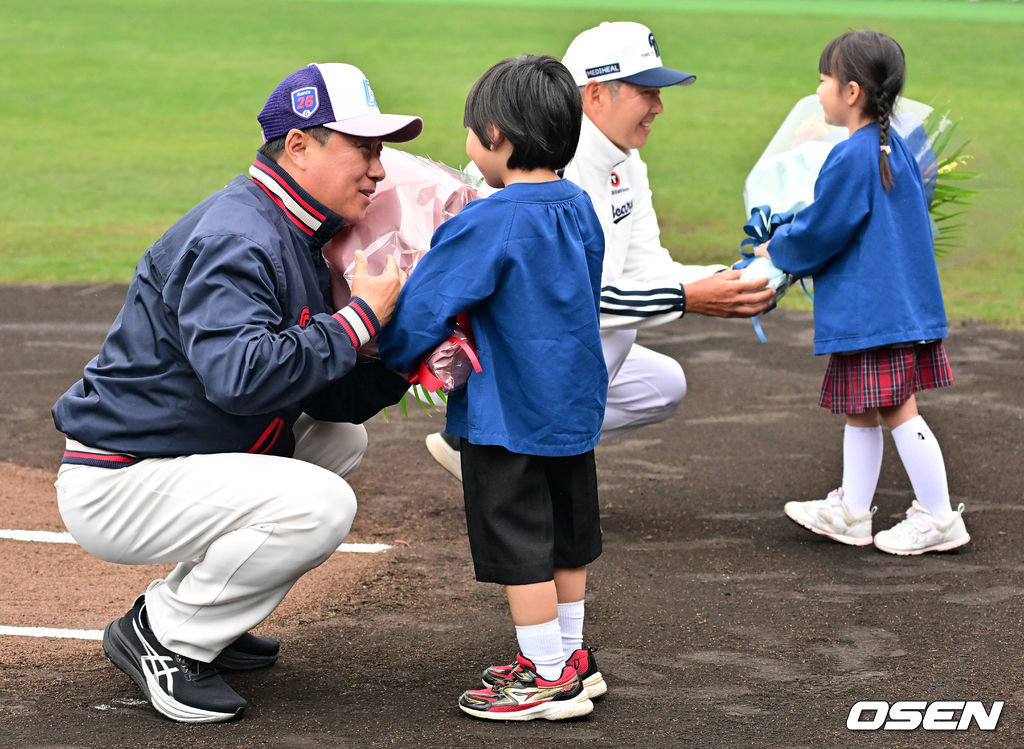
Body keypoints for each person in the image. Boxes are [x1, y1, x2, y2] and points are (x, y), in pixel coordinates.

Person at [50, 62, 423, 723]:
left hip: (179, 452)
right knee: (320, 504)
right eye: (363, 149)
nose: (378, 169)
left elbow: (324, 397)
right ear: (299, 145)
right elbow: (241, 376)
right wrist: (360, 318)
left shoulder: (297, 230)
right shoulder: (239, 235)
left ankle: (205, 611)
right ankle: (166, 634)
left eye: (380, 151)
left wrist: (404, 361)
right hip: (121, 478)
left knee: (339, 439)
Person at [424, 21, 775, 481]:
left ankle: (507, 448)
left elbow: (648, 267)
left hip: (538, 348)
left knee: (662, 385)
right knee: (615, 333)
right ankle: (500, 448)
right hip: (492, 348)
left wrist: (739, 277)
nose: (658, 106)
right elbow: (569, 299)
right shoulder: (551, 165)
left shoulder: (624, 157)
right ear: (594, 95)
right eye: (646, 92)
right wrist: (687, 298)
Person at [378, 55, 606, 721]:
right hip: (571, 405)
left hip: (508, 411)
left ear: (497, 135)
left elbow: (428, 302)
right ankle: (570, 656)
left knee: (520, 542)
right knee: (565, 533)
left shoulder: (489, 220)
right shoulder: (579, 205)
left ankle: (544, 677)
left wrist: (393, 354)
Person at [753, 31, 969, 555]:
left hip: (874, 310)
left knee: (896, 407)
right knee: (864, 408)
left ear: (851, 92)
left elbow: (823, 229)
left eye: (823, 80)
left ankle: (939, 516)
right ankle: (851, 511)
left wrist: (777, 246)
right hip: (894, 305)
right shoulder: (898, 147)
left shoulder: (852, 154)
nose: (818, 91)